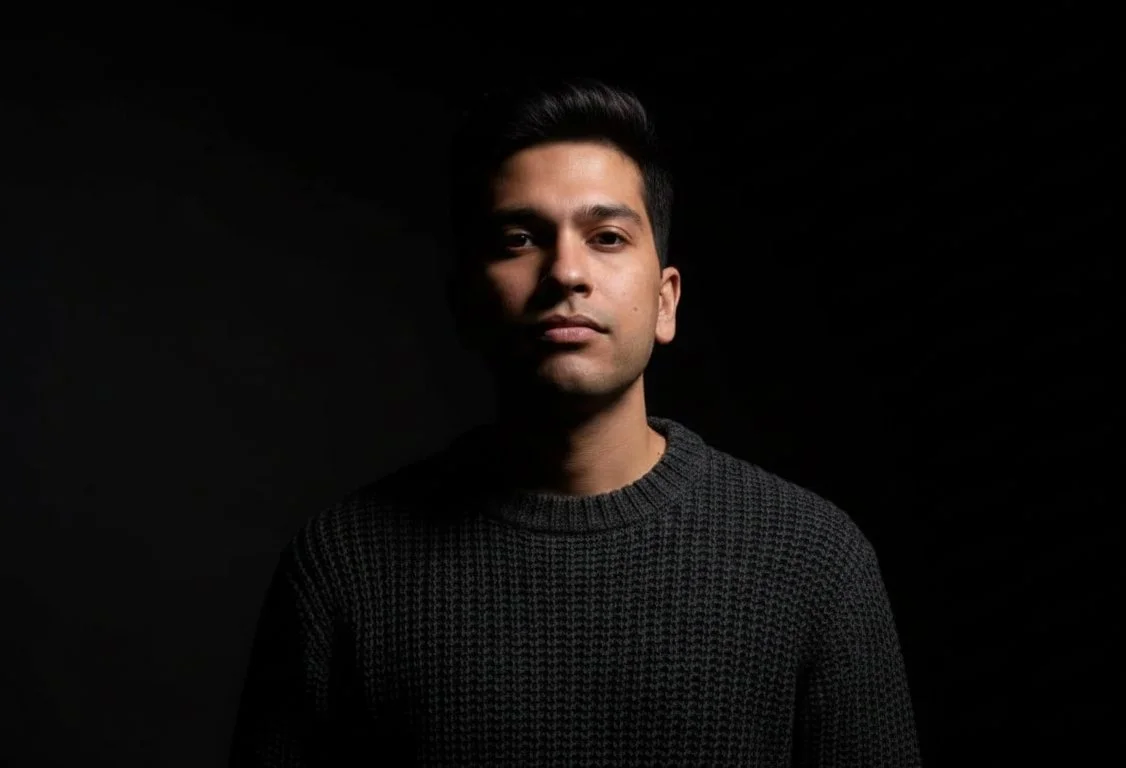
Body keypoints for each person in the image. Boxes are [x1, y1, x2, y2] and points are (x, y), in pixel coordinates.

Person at [228, 77, 922, 766]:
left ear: (665, 301)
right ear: (466, 302)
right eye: (519, 238)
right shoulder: (344, 566)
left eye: (607, 237)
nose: (566, 272)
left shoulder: (813, 560)